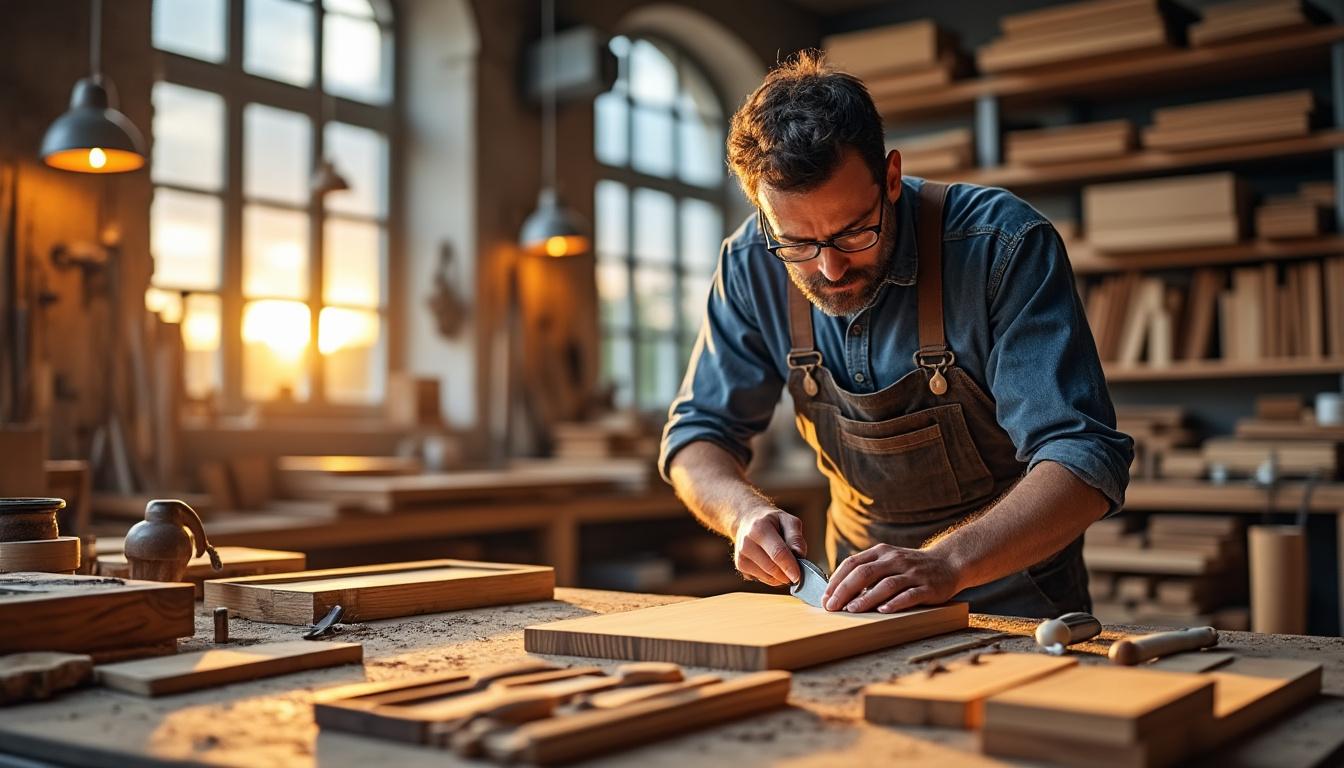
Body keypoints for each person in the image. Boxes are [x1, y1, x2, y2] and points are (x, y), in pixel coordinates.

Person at [659, 52, 1133, 618]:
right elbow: (696, 438)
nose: (830, 270)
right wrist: (742, 514)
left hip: (1015, 599)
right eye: (798, 245)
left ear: (889, 178)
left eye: (853, 233)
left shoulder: (1000, 245)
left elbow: (1083, 457)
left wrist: (947, 565)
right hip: (855, 604)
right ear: (762, 212)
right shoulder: (747, 263)